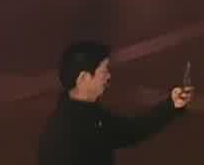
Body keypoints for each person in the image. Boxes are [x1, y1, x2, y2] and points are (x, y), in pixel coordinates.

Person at [38, 40, 191, 164]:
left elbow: (132, 130)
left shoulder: (92, 114)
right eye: (103, 71)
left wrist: (171, 105)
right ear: (83, 78)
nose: (108, 76)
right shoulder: (62, 132)